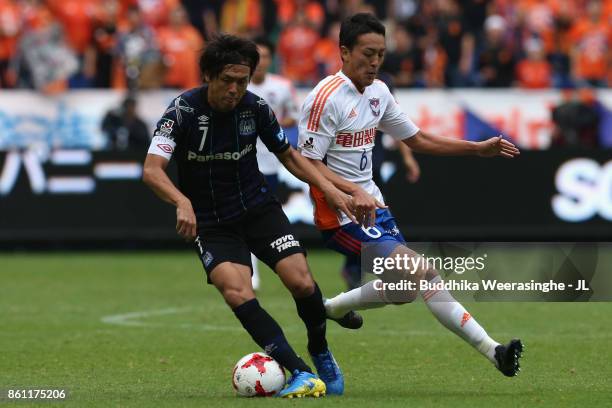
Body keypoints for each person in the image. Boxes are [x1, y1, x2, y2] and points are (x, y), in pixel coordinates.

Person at [298, 13, 524, 378]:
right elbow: (306, 163)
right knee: (422, 271)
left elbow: (417, 139)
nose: (374, 62)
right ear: (343, 51)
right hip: (340, 213)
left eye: (381, 55)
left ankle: (330, 308)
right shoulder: (325, 98)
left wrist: (476, 148)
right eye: (367, 53)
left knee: (403, 289)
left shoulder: (379, 92)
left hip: (374, 207)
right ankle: (494, 351)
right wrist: (353, 190)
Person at [142, 34, 362, 398]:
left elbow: (289, 156)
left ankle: (320, 349)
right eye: (227, 80)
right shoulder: (181, 111)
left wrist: (332, 190)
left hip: (257, 207)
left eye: (242, 81)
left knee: (303, 283)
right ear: (209, 76)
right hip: (211, 221)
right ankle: (301, 373)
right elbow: (152, 170)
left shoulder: (256, 108)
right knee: (237, 292)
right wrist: (181, 201)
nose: (234, 89)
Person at [246, 36, 300, 290]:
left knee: (262, 217)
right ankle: (251, 270)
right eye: (257, 56)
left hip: (270, 162)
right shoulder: (238, 86)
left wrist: (271, 126)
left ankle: (267, 264)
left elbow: (293, 117)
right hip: (242, 161)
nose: (261, 62)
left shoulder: (281, 86)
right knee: (245, 216)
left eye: (265, 56)